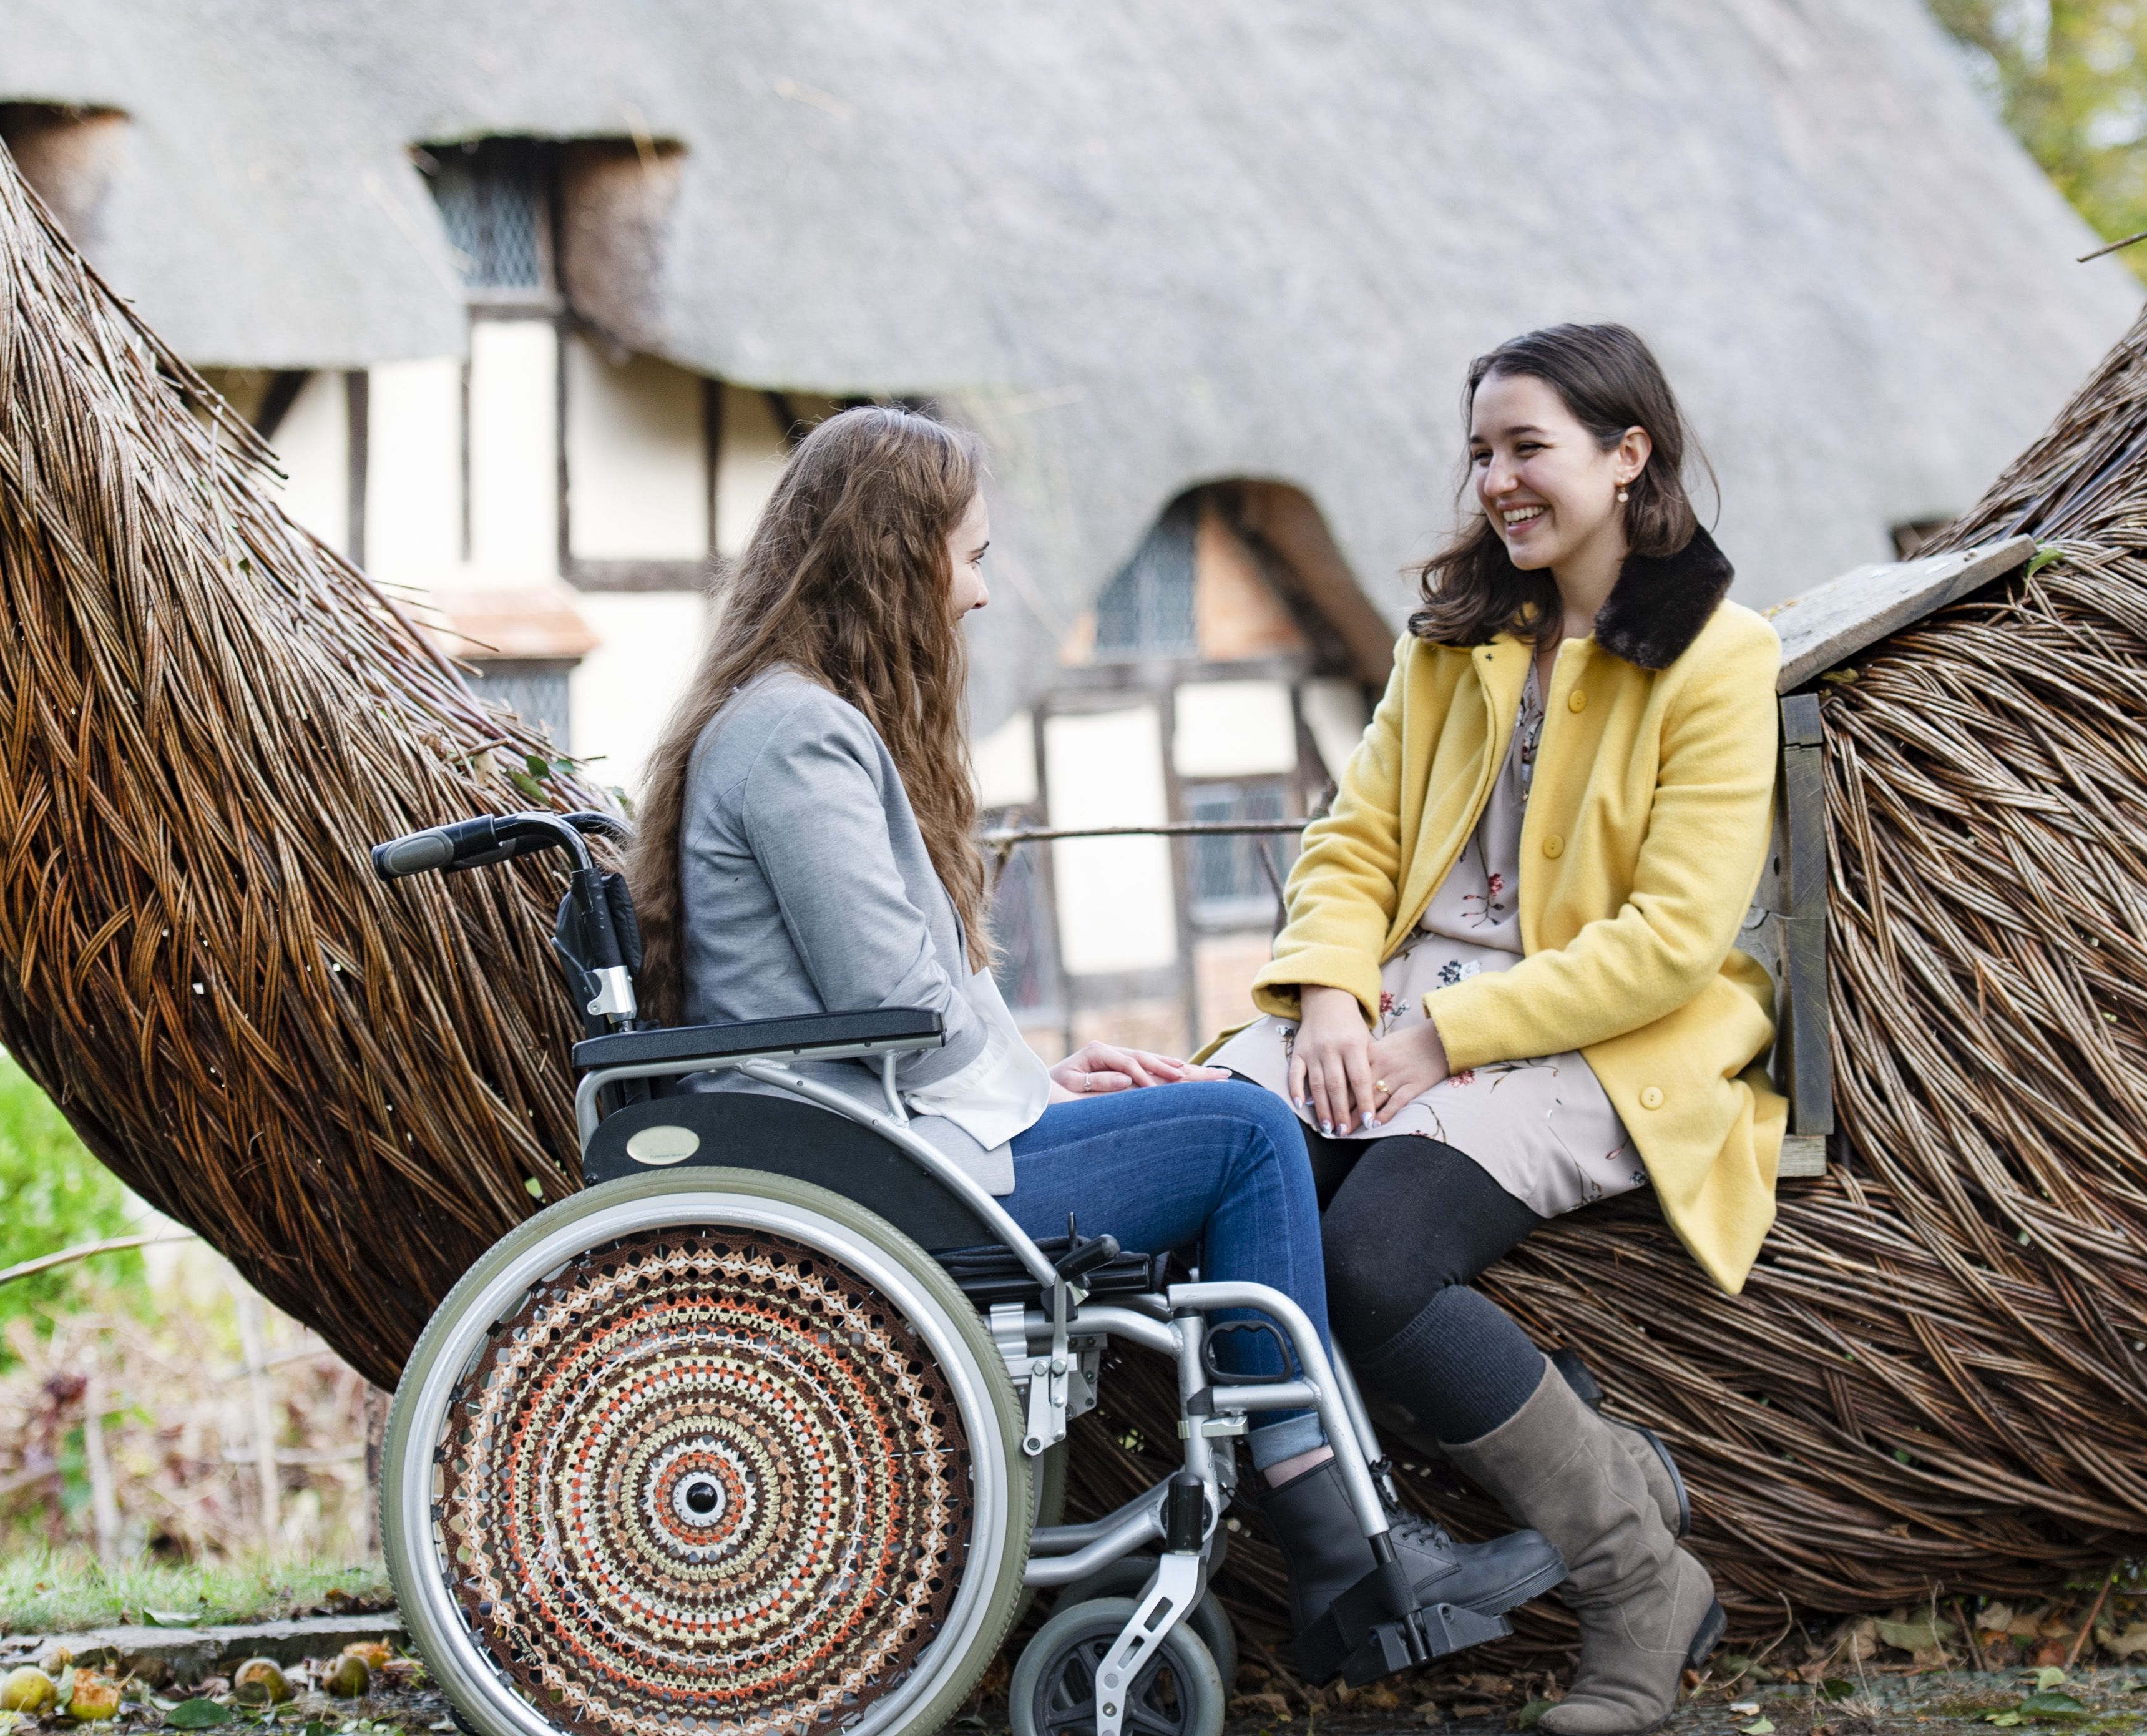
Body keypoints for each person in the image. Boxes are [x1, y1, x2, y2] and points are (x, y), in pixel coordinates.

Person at [629, 403, 1561, 1659]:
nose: (979, 592)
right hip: (867, 1170)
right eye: (970, 555)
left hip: (877, 1136)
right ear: (897, 557)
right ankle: (1344, 1544)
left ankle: (1347, 1545)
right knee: (1243, 1126)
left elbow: (878, 1002)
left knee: (1225, 1116)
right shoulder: (797, 733)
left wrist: (1048, 1076)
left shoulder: (779, 717)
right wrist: (1042, 1099)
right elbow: (889, 988)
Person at [1208, 322, 1783, 1736]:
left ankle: (1639, 1575)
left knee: (1371, 1259)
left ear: (1626, 453)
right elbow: (1351, 842)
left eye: (1528, 446)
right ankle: (1367, 1558)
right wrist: (1335, 996)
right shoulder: (1456, 638)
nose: (1499, 479)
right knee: (1218, 1166)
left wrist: (1440, 1040)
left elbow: (1669, 941)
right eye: (1482, 452)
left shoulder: (1718, 654)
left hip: (1598, 1038)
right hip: (1395, 1005)